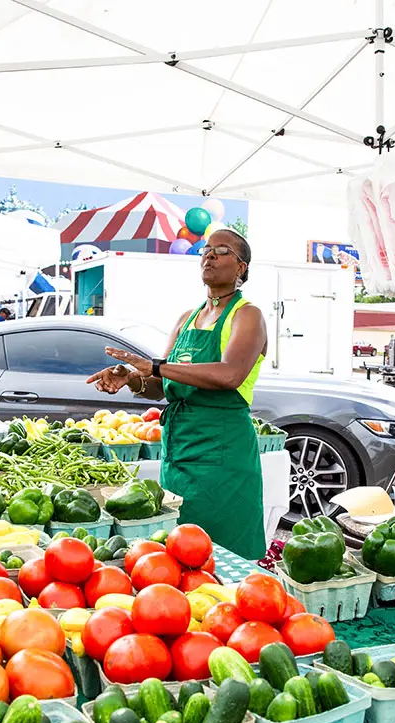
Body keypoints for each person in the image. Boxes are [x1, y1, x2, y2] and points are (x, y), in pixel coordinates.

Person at [87, 228, 268, 559]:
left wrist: (154, 366)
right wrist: (131, 379)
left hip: (223, 453)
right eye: (205, 250)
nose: (208, 255)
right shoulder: (188, 318)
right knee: (180, 554)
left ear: (241, 267)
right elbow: (161, 387)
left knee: (223, 554)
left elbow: (230, 374)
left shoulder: (248, 315)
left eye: (221, 250)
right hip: (179, 449)